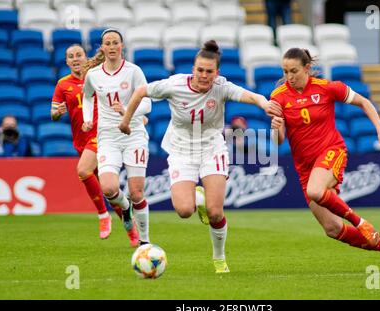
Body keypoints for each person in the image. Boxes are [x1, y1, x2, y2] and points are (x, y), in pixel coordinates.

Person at [118, 40, 272, 273]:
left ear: (216, 73)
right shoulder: (174, 85)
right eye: (200, 70)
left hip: (212, 149)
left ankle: (219, 259)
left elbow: (251, 96)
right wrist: (126, 121)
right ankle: (197, 198)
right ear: (193, 69)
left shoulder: (221, 87)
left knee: (216, 211)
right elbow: (140, 91)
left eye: (209, 71)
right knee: (184, 211)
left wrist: (264, 103)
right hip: (181, 152)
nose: (204, 75)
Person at [268, 48, 380, 270]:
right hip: (305, 167)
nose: (289, 77)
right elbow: (279, 140)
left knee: (315, 190)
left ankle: (360, 222)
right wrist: (275, 128)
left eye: (293, 71)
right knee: (333, 229)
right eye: (285, 71)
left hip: (331, 151)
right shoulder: (278, 97)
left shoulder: (327, 88)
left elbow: (365, 102)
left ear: (307, 68)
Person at [51, 43, 139, 246]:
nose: (75, 59)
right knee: (110, 191)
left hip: (102, 134)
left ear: (84, 57)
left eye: (78, 55)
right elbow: (53, 113)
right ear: (66, 61)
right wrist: (58, 112)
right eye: (71, 56)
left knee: (83, 170)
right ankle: (132, 230)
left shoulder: (98, 77)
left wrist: (129, 115)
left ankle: (102, 216)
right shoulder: (63, 84)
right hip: (81, 140)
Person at [82, 29, 152, 247]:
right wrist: (87, 119)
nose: (112, 47)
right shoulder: (93, 75)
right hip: (108, 137)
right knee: (109, 189)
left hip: (133, 135)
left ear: (122, 46)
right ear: (102, 48)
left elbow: (148, 104)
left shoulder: (133, 71)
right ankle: (125, 207)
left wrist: (126, 111)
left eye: (115, 43)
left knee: (137, 192)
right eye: (107, 43)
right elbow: (87, 96)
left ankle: (145, 243)